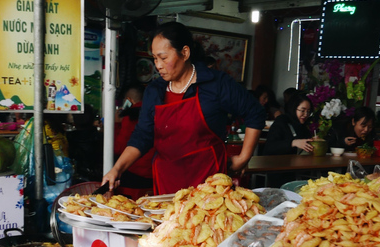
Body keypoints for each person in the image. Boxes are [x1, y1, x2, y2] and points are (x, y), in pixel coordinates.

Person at [102, 22, 265, 194]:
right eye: (155, 58)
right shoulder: (155, 91)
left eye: (163, 58)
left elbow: (255, 112)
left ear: (185, 53)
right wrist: (117, 169)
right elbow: (143, 135)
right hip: (168, 180)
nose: (158, 65)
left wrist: (244, 157)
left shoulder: (216, 84)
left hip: (209, 182)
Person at [113, 84, 153, 199]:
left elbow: (118, 148)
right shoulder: (154, 112)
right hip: (153, 173)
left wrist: (116, 124)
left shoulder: (129, 116)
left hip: (135, 172)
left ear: (128, 100)